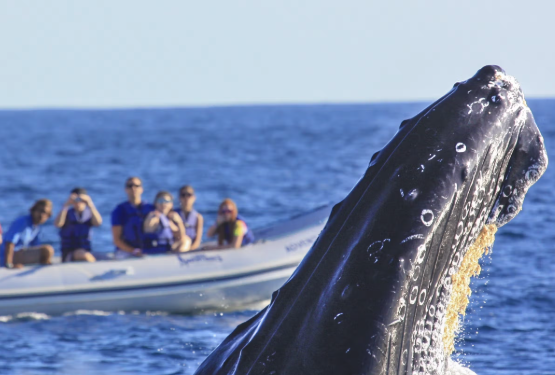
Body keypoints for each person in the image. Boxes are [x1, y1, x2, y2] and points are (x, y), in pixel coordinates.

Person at [0, 199, 54, 269]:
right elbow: (9, 242)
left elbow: (35, 246)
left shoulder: (36, 227)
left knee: (47, 253)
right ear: (33, 210)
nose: (42, 215)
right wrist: (8, 264)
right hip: (5, 257)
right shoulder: (22, 221)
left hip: (19, 254)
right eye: (40, 211)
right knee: (47, 251)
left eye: (45, 213)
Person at [53, 188, 102, 262]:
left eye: (81, 200)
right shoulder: (66, 214)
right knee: (83, 254)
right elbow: (58, 224)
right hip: (69, 253)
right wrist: (66, 205)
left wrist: (90, 203)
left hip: (86, 251)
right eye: (76, 199)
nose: (78, 202)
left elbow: (98, 223)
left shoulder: (89, 214)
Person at [111, 177, 154, 259]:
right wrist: (134, 251)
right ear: (126, 190)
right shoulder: (119, 211)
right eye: (130, 186)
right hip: (126, 252)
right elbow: (116, 240)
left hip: (148, 249)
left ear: (141, 189)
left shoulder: (151, 208)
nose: (133, 188)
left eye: (136, 186)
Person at [174, 185, 203, 250]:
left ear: (194, 198)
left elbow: (197, 241)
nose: (186, 198)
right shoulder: (174, 214)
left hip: (190, 248)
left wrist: (189, 250)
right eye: (183, 195)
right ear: (179, 198)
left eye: (189, 195)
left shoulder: (198, 217)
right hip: (177, 245)